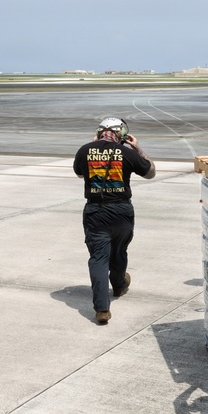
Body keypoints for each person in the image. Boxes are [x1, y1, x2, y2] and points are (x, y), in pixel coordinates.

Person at [72, 117, 155, 325]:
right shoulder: (127, 152)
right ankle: (118, 285)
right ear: (122, 135)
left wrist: (94, 147)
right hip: (122, 211)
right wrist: (138, 149)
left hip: (95, 211)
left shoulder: (84, 150)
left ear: (99, 132)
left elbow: (80, 174)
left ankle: (102, 309)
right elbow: (150, 173)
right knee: (119, 251)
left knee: (99, 258)